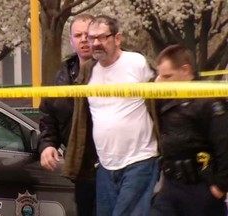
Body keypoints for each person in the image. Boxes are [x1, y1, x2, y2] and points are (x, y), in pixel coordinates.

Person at [63, 15, 159, 216]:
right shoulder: (88, 71)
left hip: (140, 160)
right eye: (91, 38)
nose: (95, 43)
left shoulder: (137, 63)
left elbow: (158, 104)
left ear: (117, 39)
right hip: (105, 165)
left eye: (102, 37)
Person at [150, 44, 228, 216]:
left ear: (185, 70)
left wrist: (220, 186)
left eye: (167, 76)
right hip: (171, 185)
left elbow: (224, 145)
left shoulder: (209, 101)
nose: (160, 81)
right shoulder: (165, 98)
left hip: (201, 187)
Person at [38, 13, 96, 216]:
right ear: (71, 41)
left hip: (111, 165)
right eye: (78, 35)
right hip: (81, 168)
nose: (84, 40)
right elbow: (48, 117)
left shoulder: (112, 72)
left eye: (88, 34)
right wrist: (48, 145)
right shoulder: (61, 78)